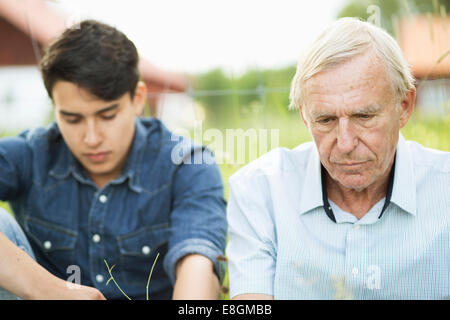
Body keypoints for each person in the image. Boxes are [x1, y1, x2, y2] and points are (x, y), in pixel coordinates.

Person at [0, 20, 227, 300]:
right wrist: (52, 290)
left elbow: (197, 264)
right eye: (72, 119)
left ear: (137, 99)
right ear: (54, 107)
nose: (92, 137)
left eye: (107, 116)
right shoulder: (31, 152)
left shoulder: (187, 164)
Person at [226, 17, 450, 300]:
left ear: (403, 106)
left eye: (364, 116)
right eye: (325, 120)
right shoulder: (259, 192)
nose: (345, 144)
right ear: (305, 117)